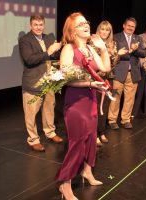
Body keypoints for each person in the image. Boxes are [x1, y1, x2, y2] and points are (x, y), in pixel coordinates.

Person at [55, 12, 111, 199]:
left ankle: (87, 171)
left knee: (91, 137)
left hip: (91, 99)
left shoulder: (90, 48)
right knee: (77, 142)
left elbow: (105, 69)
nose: (87, 25)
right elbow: (65, 79)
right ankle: (65, 183)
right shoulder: (69, 49)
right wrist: (89, 84)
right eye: (81, 24)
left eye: (87, 21)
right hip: (76, 102)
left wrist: (103, 49)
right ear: (72, 30)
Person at [19, 14, 63, 152]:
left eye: (41, 25)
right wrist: (48, 51)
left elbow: (54, 57)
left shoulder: (48, 37)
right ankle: (33, 139)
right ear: (30, 25)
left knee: (49, 108)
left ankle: (50, 132)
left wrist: (58, 49)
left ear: (44, 25)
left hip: (49, 81)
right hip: (33, 82)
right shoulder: (25, 40)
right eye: (35, 25)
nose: (38, 27)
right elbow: (29, 59)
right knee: (31, 113)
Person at [90, 20, 128, 146]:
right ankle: (94, 134)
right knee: (95, 108)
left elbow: (113, 63)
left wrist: (117, 55)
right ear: (98, 30)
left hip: (108, 78)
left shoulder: (112, 43)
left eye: (107, 30)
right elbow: (94, 63)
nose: (105, 32)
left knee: (104, 107)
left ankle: (101, 131)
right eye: (103, 29)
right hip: (96, 78)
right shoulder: (93, 42)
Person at [108, 17, 146, 129]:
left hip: (133, 73)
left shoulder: (138, 38)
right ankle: (112, 120)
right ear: (124, 26)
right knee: (115, 96)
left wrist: (135, 50)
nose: (131, 28)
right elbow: (114, 54)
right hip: (118, 72)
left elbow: (143, 53)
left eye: (133, 26)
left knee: (130, 98)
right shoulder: (116, 37)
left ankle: (125, 119)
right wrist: (130, 50)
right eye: (129, 25)